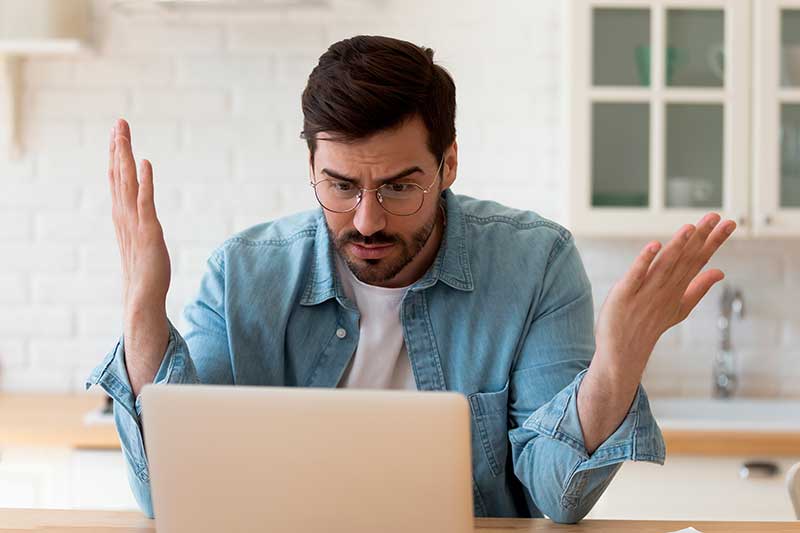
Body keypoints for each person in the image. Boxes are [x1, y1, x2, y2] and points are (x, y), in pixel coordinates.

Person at [86, 35, 736, 523]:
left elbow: (555, 494)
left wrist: (616, 362)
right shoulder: (243, 272)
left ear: (448, 162)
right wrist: (143, 306)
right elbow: (169, 491)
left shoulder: (535, 263)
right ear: (310, 164)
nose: (367, 219)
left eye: (400, 186)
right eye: (340, 185)